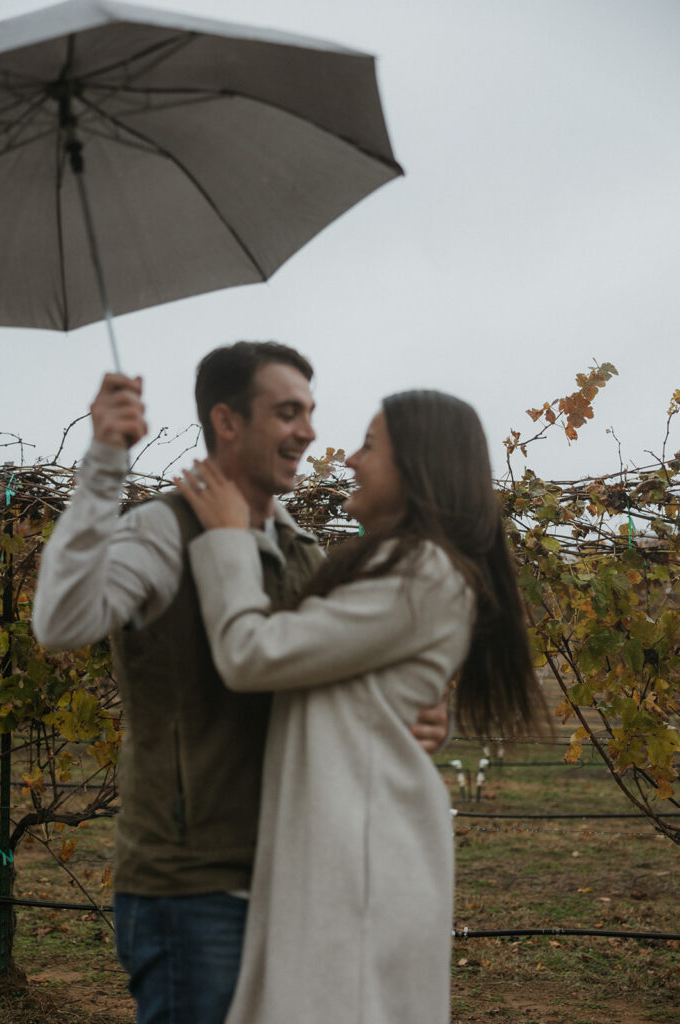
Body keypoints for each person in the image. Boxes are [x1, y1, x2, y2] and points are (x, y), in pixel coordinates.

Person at [32, 342, 448, 1024]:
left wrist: (414, 710)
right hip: (192, 892)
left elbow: (327, 679)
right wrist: (106, 461)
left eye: (310, 413)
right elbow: (60, 620)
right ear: (226, 422)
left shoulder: (304, 552)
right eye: (287, 412)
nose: (309, 431)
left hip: (296, 877)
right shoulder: (162, 532)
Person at [176, 388, 548, 1024]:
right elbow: (354, 670)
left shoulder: (422, 572)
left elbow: (251, 653)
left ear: (417, 469)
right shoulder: (404, 570)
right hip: (352, 850)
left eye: (370, 446)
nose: (348, 457)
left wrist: (230, 538)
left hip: (361, 863)